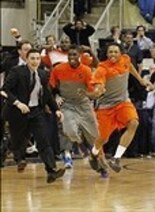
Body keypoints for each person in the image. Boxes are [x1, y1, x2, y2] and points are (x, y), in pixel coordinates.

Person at [1, 49, 65, 183]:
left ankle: (51, 170)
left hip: (35, 112)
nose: (35, 61)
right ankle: (9, 153)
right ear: (27, 59)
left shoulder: (43, 74)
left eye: (37, 58)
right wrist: (18, 103)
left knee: (43, 140)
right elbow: (5, 89)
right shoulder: (17, 71)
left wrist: (56, 110)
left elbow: (47, 94)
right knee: (18, 141)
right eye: (32, 58)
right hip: (18, 112)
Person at [88, 43, 150, 174]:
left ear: (120, 53)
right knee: (103, 139)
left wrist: (140, 79)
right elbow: (98, 85)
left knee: (134, 123)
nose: (113, 54)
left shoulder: (125, 59)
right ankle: (94, 153)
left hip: (123, 102)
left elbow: (130, 67)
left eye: (115, 52)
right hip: (105, 107)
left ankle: (116, 158)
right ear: (106, 54)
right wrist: (98, 91)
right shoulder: (102, 68)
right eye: (110, 52)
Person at [49, 45, 99, 169]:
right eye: (70, 55)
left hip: (83, 103)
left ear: (80, 56)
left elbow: (92, 90)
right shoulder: (58, 69)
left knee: (94, 133)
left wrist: (93, 95)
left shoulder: (86, 70)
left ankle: (97, 157)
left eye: (74, 54)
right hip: (67, 103)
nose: (72, 57)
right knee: (67, 129)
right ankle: (67, 155)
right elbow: (51, 87)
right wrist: (55, 97)